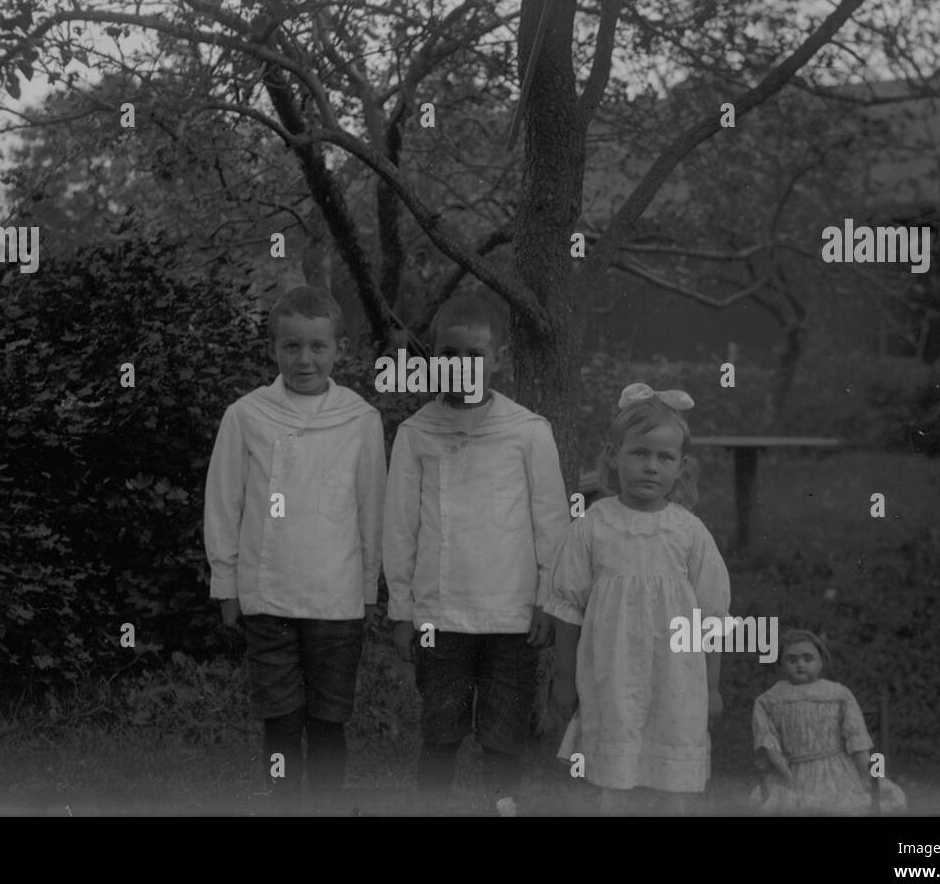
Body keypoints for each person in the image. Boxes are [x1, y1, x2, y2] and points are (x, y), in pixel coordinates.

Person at [383, 293, 568, 816]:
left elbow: (551, 522)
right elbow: (399, 529)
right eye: (448, 354)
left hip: (512, 618)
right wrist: (402, 611)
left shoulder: (528, 433)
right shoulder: (416, 433)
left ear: (498, 359)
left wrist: (547, 599)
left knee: (503, 738)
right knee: (439, 733)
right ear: (432, 358)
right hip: (440, 617)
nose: (459, 366)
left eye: (474, 355)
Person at [203, 285, 385, 803]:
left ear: (338, 351)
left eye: (317, 347)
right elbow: (224, 504)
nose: (305, 359)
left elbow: (371, 511)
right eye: (291, 347)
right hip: (268, 597)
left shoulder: (360, 419)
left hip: (337, 598)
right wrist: (227, 584)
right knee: (281, 722)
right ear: (273, 350)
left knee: (328, 722)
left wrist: (367, 590)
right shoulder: (246, 416)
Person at [545, 382, 729, 815]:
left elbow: (712, 617)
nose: (651, 467)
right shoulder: (593, 526)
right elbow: (568, 609)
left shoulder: (689, 532)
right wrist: (564, 679)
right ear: (613, 455)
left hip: (676, 679)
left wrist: (714, 687)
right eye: (639, 453)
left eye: (664, 458)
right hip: (613, 676)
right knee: (617, 782)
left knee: (672, 787)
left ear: (681, 467)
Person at [751, 629, 906, 814]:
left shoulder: (838, 694)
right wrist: (787, 777)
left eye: (808, 659)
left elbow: (857, 740)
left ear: (820, 662)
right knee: (790, 804)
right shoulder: (768, 701)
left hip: (838, 773)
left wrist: (867, 777)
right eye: (792, 660)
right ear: (781, 664)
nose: (800, 665)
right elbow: (769, 745)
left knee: (846, 806)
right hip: (792, 771)